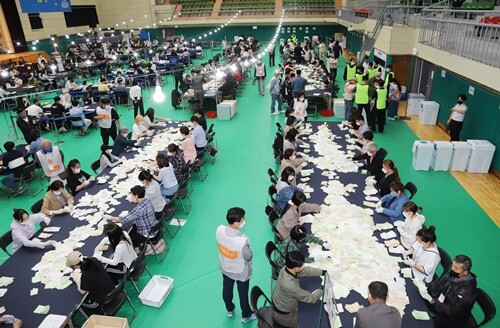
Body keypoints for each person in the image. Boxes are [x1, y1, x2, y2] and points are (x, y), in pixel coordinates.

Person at [215, 207, 257, 323]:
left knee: (227, 289)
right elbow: (248, 256)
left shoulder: (219, 230)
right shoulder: (242, 241)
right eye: (243, 219)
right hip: (240, 271)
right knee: (243, 294)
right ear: (237, 222)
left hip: (226, 267)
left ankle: (229, 308)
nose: (244, 220)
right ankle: (246, 315)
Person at [272, 251, 324, 327]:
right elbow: (311, 298)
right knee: (307, 324)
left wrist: (322, 272)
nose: (304, 265)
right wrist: (323, 289)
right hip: (284, 315)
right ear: (296, 268)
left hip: (281, 303)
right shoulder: (290, 285)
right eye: (302, 264)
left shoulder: (286, 268)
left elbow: (305, 271)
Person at [425, 255, 477, 328]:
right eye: (452, 265)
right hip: (442, 303)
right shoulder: (453, 272)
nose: (452, 268)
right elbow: (439, 284)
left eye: (456, 268)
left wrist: (433, 301)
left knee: (426, 324)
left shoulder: (467, 290)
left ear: (465, 272)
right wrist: (425, 287)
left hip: (453, 318)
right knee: (419, 299)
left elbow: (451, 310)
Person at [66, 251, 115, 316]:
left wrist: (77, 281)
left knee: (80, 305)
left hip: (103, 299)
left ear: (75, 266)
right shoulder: (94, 260)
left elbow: (82, 291)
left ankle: (98, 316)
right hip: (112, 289)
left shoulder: (85, 274)